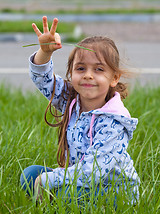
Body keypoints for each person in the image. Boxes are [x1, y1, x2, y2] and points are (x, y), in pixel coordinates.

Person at [20, 16, 140, 202]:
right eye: (81, 68)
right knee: (30, 174)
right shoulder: (70, 99)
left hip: (113, 193)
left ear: (114, 78)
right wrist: (45, 52)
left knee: (66, 194)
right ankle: (53, 199)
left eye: (99, 70)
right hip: (82, 182)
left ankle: (55, 202)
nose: (88, 76)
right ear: (71, 74)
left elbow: (92, 173)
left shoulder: (114, 123)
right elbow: (43, 79)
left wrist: (48, 179)